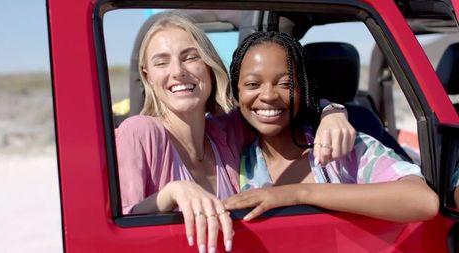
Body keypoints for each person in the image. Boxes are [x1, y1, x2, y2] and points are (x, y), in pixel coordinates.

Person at [116, 15, 355, 253]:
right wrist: (173, 192)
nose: (178, 71)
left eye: (190, 57)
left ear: (209, 68)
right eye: (162, 62)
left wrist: (332, 113)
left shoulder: (228, 131)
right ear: (148, 77)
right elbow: (116, 226)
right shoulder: (138, 132)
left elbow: (279, 107)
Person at [224, 31, 439, 223]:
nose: (269, 96)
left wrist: (298, 194)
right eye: (252, 84)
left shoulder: (344, 148)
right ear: (237, 92)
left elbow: (422, 201)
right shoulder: (230, 160)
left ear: (303, 90)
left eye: (286, 84)